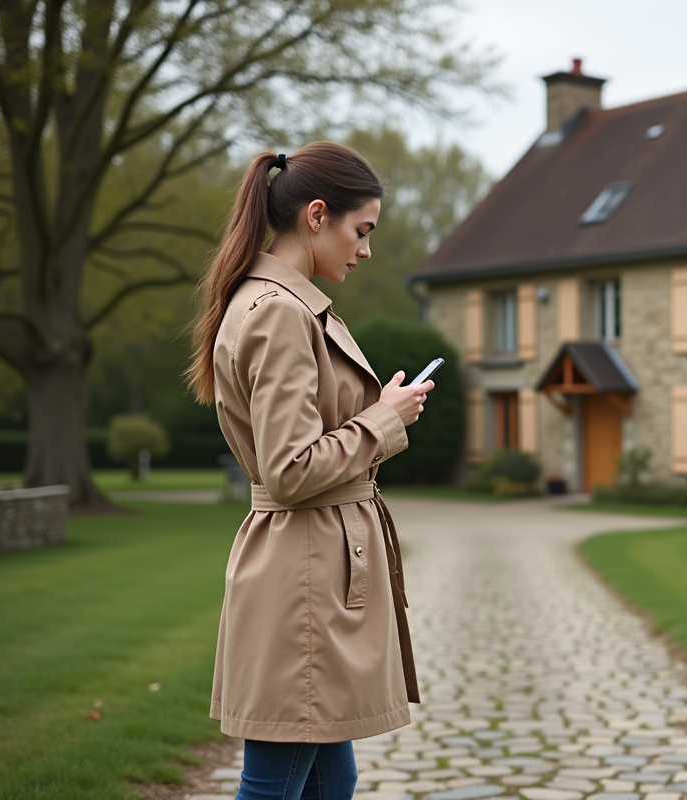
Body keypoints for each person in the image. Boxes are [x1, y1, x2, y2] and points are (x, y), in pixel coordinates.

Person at [186, 142, 432, 800]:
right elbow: (290, 468)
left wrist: (382, 414)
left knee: (331, 777)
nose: (367, 249)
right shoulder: (278, 315)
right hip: (302, 578)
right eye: (363, 230)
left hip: (312, 569)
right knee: (274, 782)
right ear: (317, 216)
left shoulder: (284, 306)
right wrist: (385, 420)